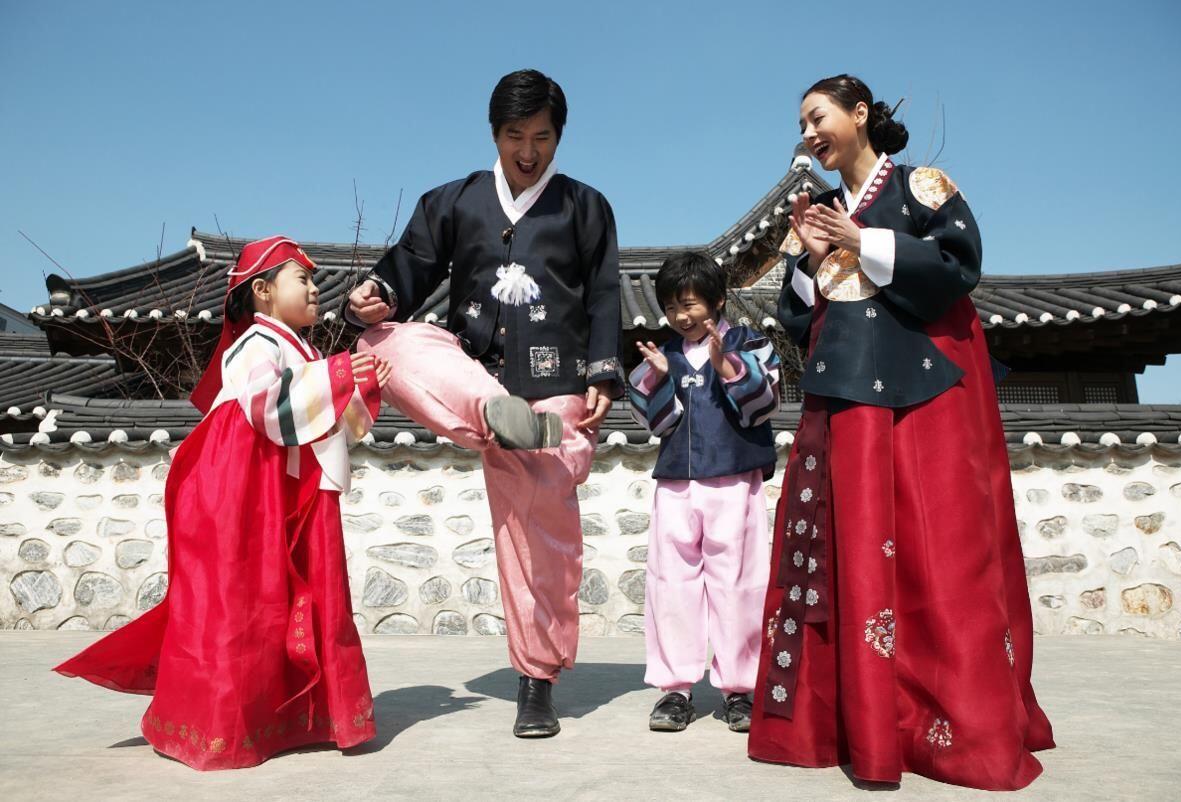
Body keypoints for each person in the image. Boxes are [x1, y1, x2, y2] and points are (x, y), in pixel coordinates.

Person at [748, 75, 1055, 790]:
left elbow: (959, 265)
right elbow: (801, 318)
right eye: (801, 123)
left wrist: (861, 238)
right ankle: (853, 723)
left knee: (936, 550)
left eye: (818, 116)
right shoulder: (819, 211)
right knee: (842, 553)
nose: (808, 133)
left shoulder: (922, 188)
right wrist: (814, 258)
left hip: (922, 397)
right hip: (842, 401)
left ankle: (948, 725)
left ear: (860, 114)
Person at [346, 68, 621, 738]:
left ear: (560, 136)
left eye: (542, 137)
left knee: (535, 536)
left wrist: (604, 373)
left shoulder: (585, 206)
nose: (528, 151)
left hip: (554, 375)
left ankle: (536, 680)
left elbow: (607, 292)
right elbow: (405, 268)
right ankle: (510, 423)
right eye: (514, 135)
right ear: (493, 133)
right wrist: (374, 295)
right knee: (385, 340)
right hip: (473, 378)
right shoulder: (454, 201)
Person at [54, 235, 387, 770]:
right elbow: (267, 406)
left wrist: (359, 388)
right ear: (261, 291)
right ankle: (225, 724)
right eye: (301, 279)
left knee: (293, 599)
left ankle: (299, 717)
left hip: (281, 489)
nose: (314, 288)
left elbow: (326, 420)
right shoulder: (256, 344)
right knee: (242, 605)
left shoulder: (302, 351)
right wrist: (342, 374)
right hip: (243, 492)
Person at [628, 251, 779, 733]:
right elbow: (655, 421)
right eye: (672, 307)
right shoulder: (664, 353)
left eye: (691, 304)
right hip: (676, 482)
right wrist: (657, 376)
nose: (682, 316)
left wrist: (726, 364)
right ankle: (675, 690)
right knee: (671, 585)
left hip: (734, 479)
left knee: (738, 585)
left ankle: (740, 689)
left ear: (717, 300)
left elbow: (763, 404)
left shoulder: (752, 343)